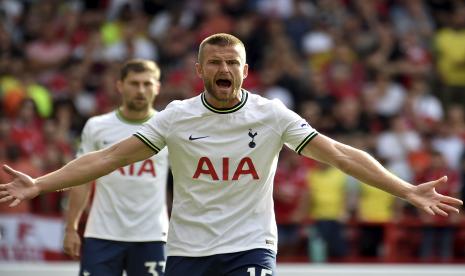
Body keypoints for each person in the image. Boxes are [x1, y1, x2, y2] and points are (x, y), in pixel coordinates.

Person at [0, 33, 463, 276]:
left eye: (232, 63)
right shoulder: (177, 117)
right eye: (215, 63)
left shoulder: (272, 115)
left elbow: (341, 155)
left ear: (246, 69)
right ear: (200, 70)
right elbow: (107, 158)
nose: (224, 69)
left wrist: (404, 189)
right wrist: (41, 183)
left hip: (250, 246)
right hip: (187, 248)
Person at [64, 59, 170, 276]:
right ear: (120, 85)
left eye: (147, 84)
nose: (141, 90)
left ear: (157, 87)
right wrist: (71, 228)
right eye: (134, 83)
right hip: (102, 234)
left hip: (151, 235)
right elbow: (81, 179)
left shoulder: (168, 127)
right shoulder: (97, 126)